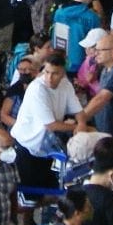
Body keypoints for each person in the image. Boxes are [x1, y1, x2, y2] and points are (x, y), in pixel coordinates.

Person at [9, 58, 84, 193]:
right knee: (29, 197)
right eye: (46, 72)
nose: (49, 77)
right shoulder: (37, 89)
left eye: (54, 73)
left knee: (48, 192)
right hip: (27, 146)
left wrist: (82, 124)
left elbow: (78, 111)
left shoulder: (66, 85)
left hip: (45, 148)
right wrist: (78, 127)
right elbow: (52, 125)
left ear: (62, 73)